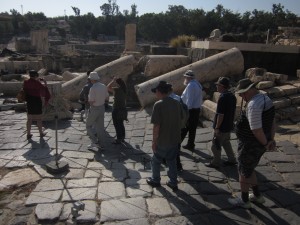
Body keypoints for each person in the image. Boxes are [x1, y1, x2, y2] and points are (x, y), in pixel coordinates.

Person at [228, 78, 275, 209]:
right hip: (260, 142)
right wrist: (271, 139)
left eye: (243, 93)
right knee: (249, 169)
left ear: (251, 89)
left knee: (243, 171)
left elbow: (256, 130)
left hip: (250, 144)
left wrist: (266, 143)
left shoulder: (254, 105)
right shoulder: (266, 99)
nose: (242, 96)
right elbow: (272, 122)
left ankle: (244, 200)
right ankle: (257, 196)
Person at [146, 81, 182, 191]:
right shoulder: (176, 102)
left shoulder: (158, 105)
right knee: (172, 161)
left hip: (163, 139)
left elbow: (156, 126)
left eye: (155, 91)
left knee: (156, 160)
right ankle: (173, 182)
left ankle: (155, 180)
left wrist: (154, 141)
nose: (155, 93)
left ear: (158, 91)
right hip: (175, 138)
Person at [205, 77, 237, 168]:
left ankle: (216, 162)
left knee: (215, 144)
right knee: (226, 142)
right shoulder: (232, 96)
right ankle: (232, 159)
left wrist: (217, 127)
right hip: (228, 125)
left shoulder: (222, 97)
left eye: (217, 85)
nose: (216, 87)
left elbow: (220, 115)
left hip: (222, 127)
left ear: (222, 86)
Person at [23, 70, 51, 139]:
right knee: (39, 119)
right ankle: (41, 133)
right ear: (36, 75)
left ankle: (28, 134)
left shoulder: (26, 82)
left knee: (29, 119)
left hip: (29, 101)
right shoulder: (37, 83)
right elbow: (44, 89)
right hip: (37, 101)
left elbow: (25, 89)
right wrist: (44, 82)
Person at [86, 72, 109, 151]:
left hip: (94, 108)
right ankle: (101, 144)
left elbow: (91, 101)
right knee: (100, 127)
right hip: (102, 108)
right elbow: (107, 97)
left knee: (88, 126)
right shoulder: (104, 86)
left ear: (92, 79)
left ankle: (94, 141)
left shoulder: (93, 88)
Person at [181, 70, 203, 150]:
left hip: (191, 110)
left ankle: (176, 145)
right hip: (196, 110)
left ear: (188, 77)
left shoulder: (191, 85)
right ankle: (190, 144)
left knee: (184, 128)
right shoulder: (197, 84)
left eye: (186, 77)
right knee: (192, 129)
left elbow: (189, 101)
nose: (185, 79)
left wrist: (186, 112)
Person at [107, 77, 127, 144]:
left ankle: (119, 139)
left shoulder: (117, 90)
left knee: (116, 124)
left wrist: (112, 81)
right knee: (121, 124)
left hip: (116, 109)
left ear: (117, 83)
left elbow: (108, 87)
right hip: (123, 109)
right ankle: (123, 137)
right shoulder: (124, 89)